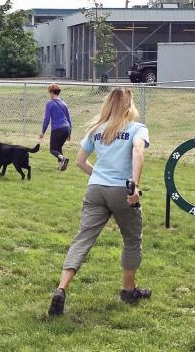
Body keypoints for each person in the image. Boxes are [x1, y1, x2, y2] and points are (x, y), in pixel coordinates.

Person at [48, 87, 150, 316]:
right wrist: (134, 184)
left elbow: (80, 162)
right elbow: (138, 151)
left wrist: (97, 176)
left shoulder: (96, 129)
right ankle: (128, 290)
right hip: (121, 191)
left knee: (82, 240)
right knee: (132, 240)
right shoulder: (137, 129)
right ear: (128, 106)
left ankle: (61, 288)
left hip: (95, 190)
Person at [38, 84, 72, 171]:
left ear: (52, 92)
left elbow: (46, 119)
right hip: (66, 128)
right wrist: (70, 133)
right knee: (59, 147)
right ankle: (61, 166)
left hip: (57, 129)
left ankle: (63, 159)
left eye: (49, 92)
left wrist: (43, 132)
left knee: (53, 149)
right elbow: (69, 119)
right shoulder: (64, 103)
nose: (49, 94)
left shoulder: (50, 104)